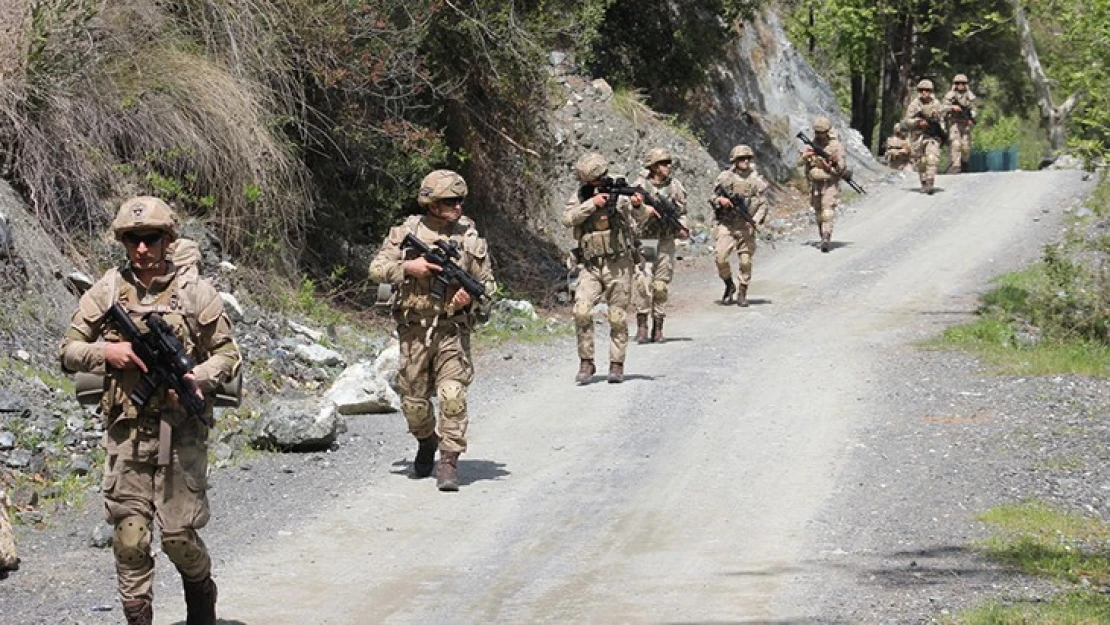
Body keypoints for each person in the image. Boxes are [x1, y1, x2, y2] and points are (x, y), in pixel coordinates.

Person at [59, 196, 241, 625]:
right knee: (130, 537)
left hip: (181, 431)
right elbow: (67, 349)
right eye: (132, 239)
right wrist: (108, 352)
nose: (141, 248)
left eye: (151, 238)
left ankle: (201, 595)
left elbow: (228, 354)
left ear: (167, 240)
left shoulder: (196, 294)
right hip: (127, 430)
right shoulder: (106, 290)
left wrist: (199, 376)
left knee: (178, 535)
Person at [369, 170, 495, 491]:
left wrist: (469, 300)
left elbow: (488, 288)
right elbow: (376, 269)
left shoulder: (470, 237)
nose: (457, 207)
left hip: (452, 330)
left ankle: (449, 462)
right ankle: (427, 441)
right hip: (414, 331)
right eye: (450, 201)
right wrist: (408, 268)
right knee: (413, 405)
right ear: (433, 204)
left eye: (460, 201)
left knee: (452, 395)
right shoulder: (407, 231)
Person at [563, 152, 652, 384]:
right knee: (581, 310)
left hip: (618, 264)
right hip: (590, 265)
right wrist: (593, 204)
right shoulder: (581, 195)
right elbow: (568, 218)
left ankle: (616, 364)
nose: (594, 185)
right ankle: (586, 361)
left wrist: (638, 206)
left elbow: (642, 218)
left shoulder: (620, 191)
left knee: (617, 316)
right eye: (590, 183)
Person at [631, 147, 688, 342]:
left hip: (665, 240)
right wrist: (643, 208)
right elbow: (630, 211)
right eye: (663, 163)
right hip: (647, 239)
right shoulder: (640, 186)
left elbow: (682, 212)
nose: (668, 167)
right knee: (643, 282)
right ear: (653, 166)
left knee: (661, 285)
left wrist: (683, 228)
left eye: (668, 163)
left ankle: (658, 326)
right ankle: (642, 326)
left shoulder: (675, 186)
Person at [711, 145, 769, 305]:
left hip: (746, 224)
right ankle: (729, 285)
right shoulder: (725, 178)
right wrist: (720, 201)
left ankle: (743, 290)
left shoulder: (756, 180)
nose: (745, 162)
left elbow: (763, 204)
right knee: (720, 257)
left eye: (747, 159)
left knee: (745, 261)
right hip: (727, 224)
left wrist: (755, 221)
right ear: (734, 161)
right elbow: (712, 197)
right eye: (741, 159)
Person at [798, 116, 848, 252]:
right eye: (817, 133)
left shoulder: (835, 146)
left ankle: (826, 236)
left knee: (827, 211)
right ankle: (822, 234)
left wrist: (831, 164)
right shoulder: (811, 145)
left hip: (829, 182)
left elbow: (841, 168)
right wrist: (806, 156)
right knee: (819, 211)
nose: (819, 136)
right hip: (815, 183)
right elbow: (799, 162)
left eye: (822, 133)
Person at [904, 79, 946, 194]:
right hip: (918, 136)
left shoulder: (936, 104)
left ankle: (930, 182)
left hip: (932, 136)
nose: (924, 93)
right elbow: (907, 120)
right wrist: (918, 122)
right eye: (922, 90)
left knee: (932, 158)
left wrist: (941, 133)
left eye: (927, 90)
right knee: (921, 161)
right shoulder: (914, 104)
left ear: (930, 91)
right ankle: (923, 182)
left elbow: (941, 120)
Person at [943, 74, 977, 173]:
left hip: (965, 123)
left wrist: (972, 118)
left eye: (963, 83)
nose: (960, 85)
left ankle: (964, 163)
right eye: (958, 83)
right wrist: (952, 108)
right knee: (956, 144)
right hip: (954, 123)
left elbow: (974, 109)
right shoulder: (950, 95)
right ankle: (956, 166)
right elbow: (942, 107)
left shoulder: (970, 96)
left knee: (965, 147)